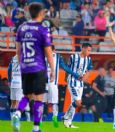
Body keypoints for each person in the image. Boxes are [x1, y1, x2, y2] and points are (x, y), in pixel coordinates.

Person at [12, 3, 55, 132]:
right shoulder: (43, 29)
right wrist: (52, 69)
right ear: (41, 13)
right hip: (39, 67)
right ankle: (36, 127)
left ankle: (18, 113)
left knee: (27, 95)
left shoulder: (21, 28)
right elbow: (48, 51)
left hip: (25, 67)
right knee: (39, 98)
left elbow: (18, 50)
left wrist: (22, 65)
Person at [43, 45, 80, 128]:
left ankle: (50, 118)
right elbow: (64, 67)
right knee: (50, 102)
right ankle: (50, 118)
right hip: (48, 83)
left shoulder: (47, 56)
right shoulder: (53, 56)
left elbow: (64, 67)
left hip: (48, 83)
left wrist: (74, 74)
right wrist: (75, 74)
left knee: (46, 102)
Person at [63, 43, 93, 128]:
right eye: (88, 50)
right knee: (78, 102)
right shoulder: (73, 57)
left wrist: (85, 77)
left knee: (75, 103)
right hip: (72, 81)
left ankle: (68, 122)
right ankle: (66, 117)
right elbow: (67, 68)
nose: (89, 52)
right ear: (83, 48)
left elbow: (89, 70)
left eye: (90, 50)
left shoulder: (88, 59)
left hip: (80, 83)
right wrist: (66, 78)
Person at [8, 55, 31, 122]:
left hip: (13, 82)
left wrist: (9, 80)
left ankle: (12, 118)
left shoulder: (13, 58)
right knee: (18, 102)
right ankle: (16, 119)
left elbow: (9, 69)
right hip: (20, 83)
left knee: (13, 103)